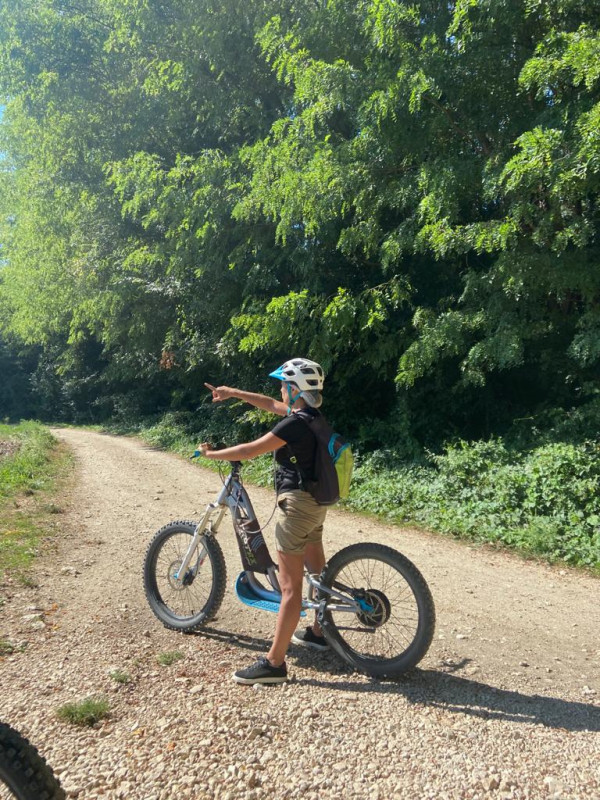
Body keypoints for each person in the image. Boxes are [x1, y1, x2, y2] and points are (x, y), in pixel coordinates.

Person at [197, 358, 330, 685]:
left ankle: (274, 664)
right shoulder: (312, 418)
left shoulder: (292, 424)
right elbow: (269, 403)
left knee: (290, 588)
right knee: (317, 572)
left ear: (295, 389)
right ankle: (318, 630)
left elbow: (249, 449)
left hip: (296, 507)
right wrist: (232, 392)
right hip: (315, 504)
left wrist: (211, 454)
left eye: (284, 385)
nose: (280, 391)